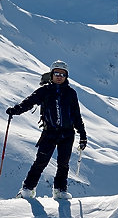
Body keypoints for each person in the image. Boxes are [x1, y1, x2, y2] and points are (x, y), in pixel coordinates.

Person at [6, 60, 87, 200]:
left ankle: (60, 191)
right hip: (49, 133)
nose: (59, 76)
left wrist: (82, 134)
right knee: (40, 162)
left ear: (66, 76)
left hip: (67, 134)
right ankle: (27, 190)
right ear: (51, 74)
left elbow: (76, 115)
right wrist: (16, 110)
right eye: (56, 73)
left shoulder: (71, 93)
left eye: (63, 74)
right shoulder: (44, 91)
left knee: (63, 164)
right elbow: (29, 102)